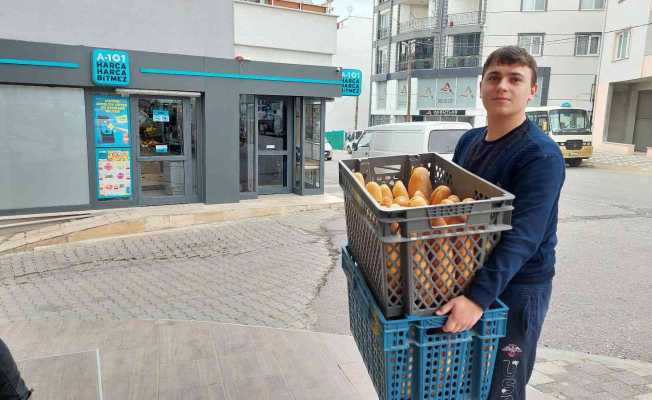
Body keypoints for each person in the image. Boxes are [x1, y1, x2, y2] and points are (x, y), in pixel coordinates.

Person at [435, 46, 565, 399]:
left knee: (502, 388)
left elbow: (525, 237)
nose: (502, 87)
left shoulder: (540, 155)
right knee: (465, 380)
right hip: (471, 273)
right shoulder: (470, 141)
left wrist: (476, 299)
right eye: (494, 78)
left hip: (519, 287)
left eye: (515, 79)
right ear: (481, 87)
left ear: (532, 90)